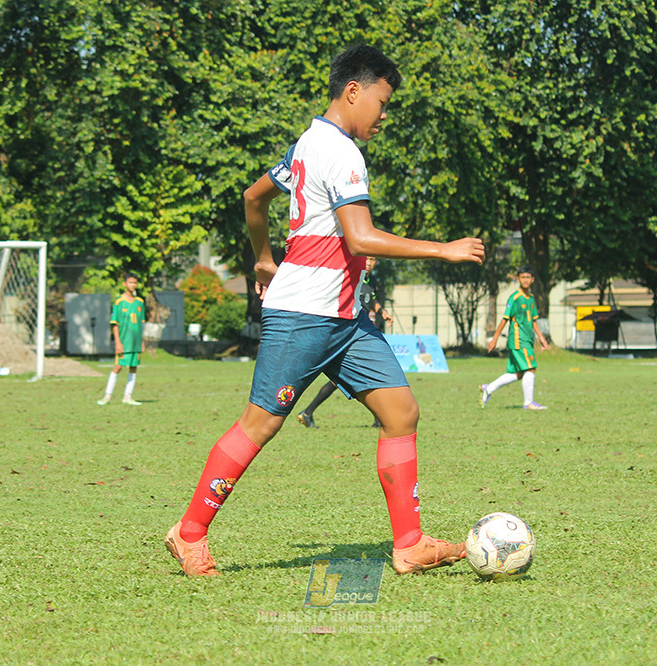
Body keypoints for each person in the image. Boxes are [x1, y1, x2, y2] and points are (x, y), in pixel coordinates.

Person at [165, 44, 485, 577]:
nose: (384, 116)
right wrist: (442, 248)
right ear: (353, 91)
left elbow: (252, 197)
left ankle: (408, 544)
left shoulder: (306, 145)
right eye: (381, 102)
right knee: (260, 425)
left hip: (347, 321)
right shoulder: (340, 152)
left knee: (401, 412)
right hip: (306, 316)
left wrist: (264, 259)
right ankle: (189, 532)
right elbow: (359, 239)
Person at [296, 256, 393, 428]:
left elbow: (372, 299)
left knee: (361, 377)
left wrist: (382, 311)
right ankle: (307, 412)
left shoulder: (369, 280)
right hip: (348, 335)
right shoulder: (351, 276)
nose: (370, 263)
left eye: (374, 260)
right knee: (356, 377)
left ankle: (379, 419)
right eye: (368, 258)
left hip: (359, 336)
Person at [479, 266, 550, 410]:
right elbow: (505, 319)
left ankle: (489, 388)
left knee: (517, 374)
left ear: (533, 279)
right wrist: (494, 339)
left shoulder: (530, 298)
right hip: (519, 340)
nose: (525, 280)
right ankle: (528, 403)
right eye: (522, 277)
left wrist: (541, 337)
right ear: (518, 279)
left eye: (528, 277)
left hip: (528, 339)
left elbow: (534, 320)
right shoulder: (514, 298)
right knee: (531, 368)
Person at [97, 273, 145, 406]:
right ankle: (107, 396)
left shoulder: (140, 302)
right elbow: (115, 324)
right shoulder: (119, 302)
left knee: (133, 367)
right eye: (130, 282)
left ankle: (127, 396)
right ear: (124, 284)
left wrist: (142, 341)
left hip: (135, 341)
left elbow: (141, 324)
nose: (133, 285)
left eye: (135, 283)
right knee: (118, 367)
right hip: (124, 341)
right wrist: (118, 342)